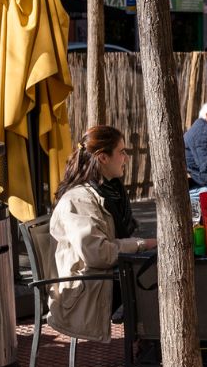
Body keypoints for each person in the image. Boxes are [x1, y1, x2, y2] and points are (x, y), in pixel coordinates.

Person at [48, 126, 154, 343]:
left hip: (107, 277)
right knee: (157, 284)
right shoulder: (79, 200)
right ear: (103, 157)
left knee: (159, 274)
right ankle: (148, 360)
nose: (126, 158)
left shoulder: (107, 191)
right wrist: (142, 244)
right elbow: (98, 254)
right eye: (122, 152)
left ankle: (152, 354)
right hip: (89, 288)